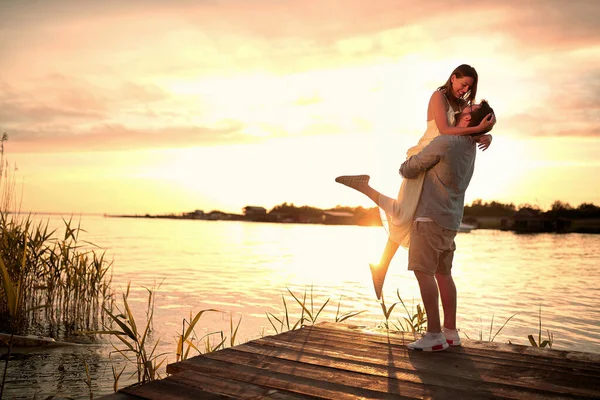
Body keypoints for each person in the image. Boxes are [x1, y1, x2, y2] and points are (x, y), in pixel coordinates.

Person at [337, 100, 495, 351]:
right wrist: (485, 134)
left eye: (464, 111)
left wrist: (408, 161)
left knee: (424, 273)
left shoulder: (446, 142)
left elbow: (409, 169)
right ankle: (450, 332)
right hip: (451, 220)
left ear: (466, 120)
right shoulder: (470, 146)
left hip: (429, 219)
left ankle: (434, 335)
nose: (459, 110)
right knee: (444, 274)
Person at [336, 64, 494, 300]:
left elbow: (474, 121)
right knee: (402, 212)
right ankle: (364, 187)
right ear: (453, 78)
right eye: (463, 84)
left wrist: (485, 133)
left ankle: (381, 267)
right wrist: (478, 128)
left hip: (438, 162)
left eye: (469, 87)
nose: (465, 90)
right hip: (424, 156)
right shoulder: (438, 96)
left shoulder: (462, 106)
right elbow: (445, 129)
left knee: (405, 216)